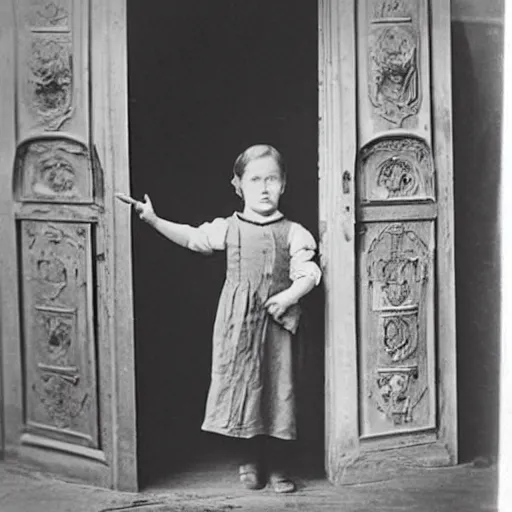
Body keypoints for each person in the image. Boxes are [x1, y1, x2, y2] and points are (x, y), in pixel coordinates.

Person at [117, 144, 321, 493]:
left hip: (278, 325)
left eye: (272, 179)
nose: (264, 187)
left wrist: (289, 296)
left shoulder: (295, 232)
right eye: (254, 179)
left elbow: (309, 273)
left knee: (279, 390)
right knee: (243, 387)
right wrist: (152, 219)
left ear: (284, 184)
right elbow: (193, 238)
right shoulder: (229, 228)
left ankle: (279, 466)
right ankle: (251, 459)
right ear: (238, 184)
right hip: (237, 324)